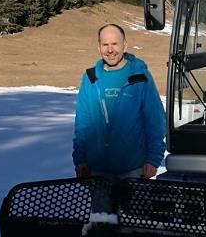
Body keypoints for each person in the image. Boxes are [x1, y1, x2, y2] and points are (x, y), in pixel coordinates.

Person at [72, 23, 167, 180]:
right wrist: (80, 159)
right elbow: (83, 123)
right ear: (99, 47)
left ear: (125, 45)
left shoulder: (140, 77)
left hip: (133, 170)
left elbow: (155, 121)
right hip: (97, 171)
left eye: (115, 44)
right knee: (101, 206)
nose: (110, 50)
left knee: (135, 206)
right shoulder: (90, 78)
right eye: (105, 45)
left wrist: (153, 159)